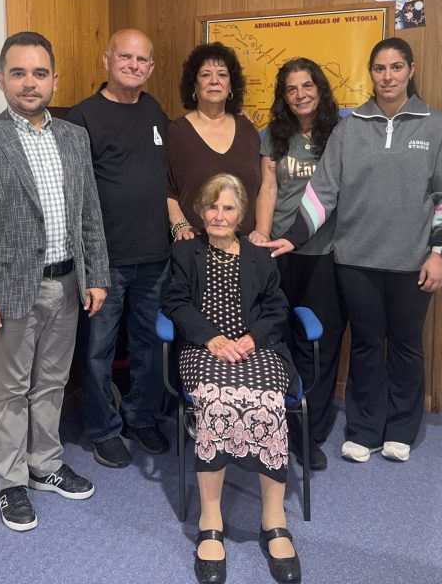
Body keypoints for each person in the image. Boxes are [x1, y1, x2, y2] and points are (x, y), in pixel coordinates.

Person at [258, 38, 442, 464]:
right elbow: (323, 191)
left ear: (410, 70)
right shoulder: (350, 128)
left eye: (396, 67)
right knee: (367, 345)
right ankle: (365, 430)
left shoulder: (437, 128)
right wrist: (294, 237)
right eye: (379, 68)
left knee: (406, 345)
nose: (387, 76)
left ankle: (401, 430)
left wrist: (440, 252)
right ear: (370, 73)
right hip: (355, 261)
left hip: (413, 262)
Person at [0, 31, 110, 532]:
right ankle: (11, 481)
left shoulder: (74, 137)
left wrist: (96, 275)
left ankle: (45, 464)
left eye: (39, 73)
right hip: (9, 292)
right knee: (10, 390)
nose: (29, 83)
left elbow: (89, 215)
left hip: (67, 285)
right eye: (18, 73)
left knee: (53, 384)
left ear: (54, 80)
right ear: (1, 80)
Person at [164, 174, 302, 584]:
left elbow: (277, 310)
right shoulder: (186, 252)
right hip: (204, 349)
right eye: (212, 207)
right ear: (201, 211)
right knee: (215, 399)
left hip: (255, 347)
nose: (219, 215)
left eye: (228, 208)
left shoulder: (260, 256)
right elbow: (175, 302)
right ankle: (211, 520)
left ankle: (273, 520)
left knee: (269, 400)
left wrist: (251, 339)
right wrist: (211, 338)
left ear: (241, 215)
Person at [66, 29, 171, 468]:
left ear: (151, 67)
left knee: (149, 344)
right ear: (106, 60)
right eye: (125, 56)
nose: (133, 65)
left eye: (142, 59)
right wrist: (89, 260)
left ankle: (140, 416)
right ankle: (103, 429)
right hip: (104, 259)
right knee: (98, 350)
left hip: (156, 255)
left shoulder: (154, 110)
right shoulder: (82, 117)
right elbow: (74, 193)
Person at [249, 58, 346, 471]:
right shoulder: (274, 134)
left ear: (319, 89)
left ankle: (309, 432)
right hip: (280, 253)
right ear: (283, 96)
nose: (300, 94)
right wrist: (261, 235)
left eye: (307, 86)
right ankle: (279, 422)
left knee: (319, 344)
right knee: (278, 338)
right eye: (291, 89)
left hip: (326, 253)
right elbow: (269, 187)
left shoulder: (340, 131)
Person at [166, 42, 261, 241]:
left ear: (231, 85)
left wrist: (261, 232)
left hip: (246, 247)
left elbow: (263, 189)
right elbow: (167, 189)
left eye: (222, 74)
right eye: (205, 74)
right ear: (194, 85)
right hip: (196, 247)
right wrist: (180, 226)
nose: (214, 81)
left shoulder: (248, 129)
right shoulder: (177, 132)